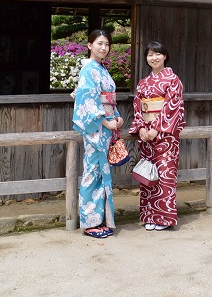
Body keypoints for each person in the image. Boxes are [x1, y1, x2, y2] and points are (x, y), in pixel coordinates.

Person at [72, 29, 124, 239]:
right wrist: (105, 121)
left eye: (107, 44)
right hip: (96, 129)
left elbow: (109, 100)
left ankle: (101, 220)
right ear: (89, 45)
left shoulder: (101, 69)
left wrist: (117, 117)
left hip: (106, 126)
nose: (104, 48)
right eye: (99, 43)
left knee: (102, 174)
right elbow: (86, 102)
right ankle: (89, 222)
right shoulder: (88, 71)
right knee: (92, 172)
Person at [129, 41, 186, 231]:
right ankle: (149, 216)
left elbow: (172, 107)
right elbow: (138, 108)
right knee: (148, 177)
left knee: (165, 177)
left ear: (165, 56)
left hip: (166, 138)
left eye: (158, 54)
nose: (154, 58)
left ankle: (164, 218)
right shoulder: (143, 83)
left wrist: (157, 129)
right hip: (147, 138)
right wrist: (141, 128)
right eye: (150, 55)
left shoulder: (173, 80)